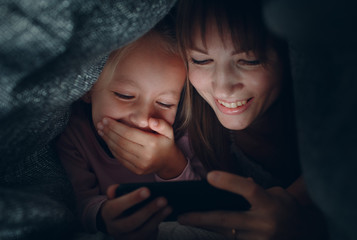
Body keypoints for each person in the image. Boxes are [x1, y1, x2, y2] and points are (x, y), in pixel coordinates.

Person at [173, 0, 327, 239]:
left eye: (250, 60)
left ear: (290, 56)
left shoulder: (336, 136)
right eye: (201, 60)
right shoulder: (187, 134)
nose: (223, 88)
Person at [56, 16, 202, 239]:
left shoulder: (183, 133)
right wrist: (104, 216)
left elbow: (203, 206)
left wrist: (170, 164)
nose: (144, 119)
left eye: (165, 104)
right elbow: (78, 203)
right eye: (124, 95)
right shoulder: (74, 136)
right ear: (88, 89)